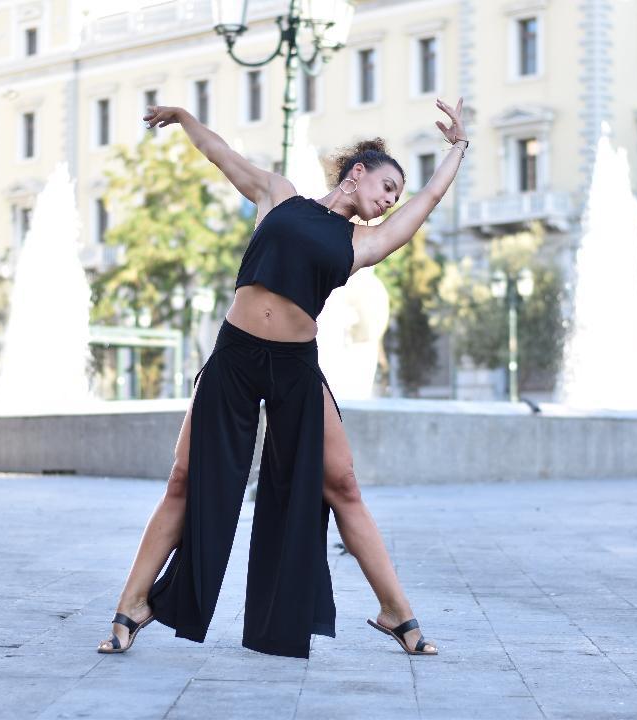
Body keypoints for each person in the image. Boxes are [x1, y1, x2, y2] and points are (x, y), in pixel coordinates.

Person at [97, 97, 467, 659]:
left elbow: (430, 198)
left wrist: (458, 146)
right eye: (387, 186)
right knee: (183, 479)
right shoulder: (280, 195)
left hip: (295, 367)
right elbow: (221, 155)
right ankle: (133, 604)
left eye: (396, 196)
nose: (391, 200)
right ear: (357, 172)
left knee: (342, 484)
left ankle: (396, 612)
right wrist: (187, 119)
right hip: (236, 356)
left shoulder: (364, 243)